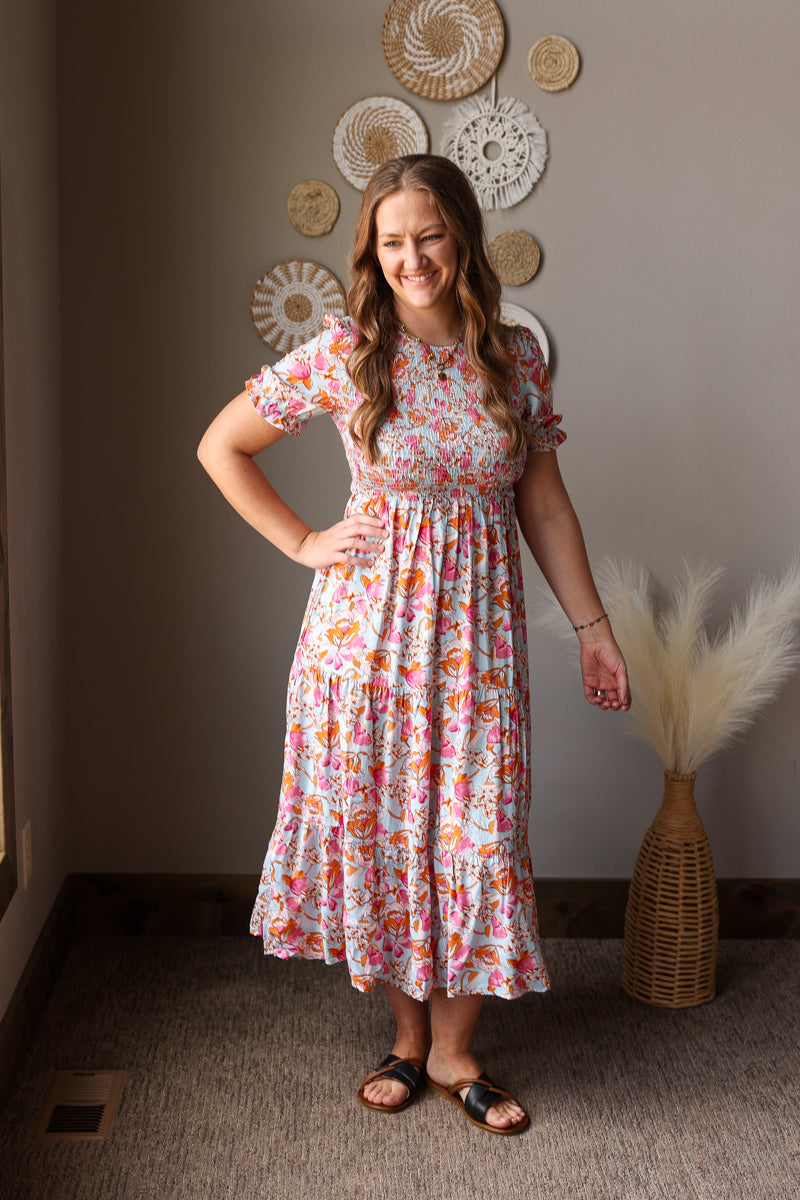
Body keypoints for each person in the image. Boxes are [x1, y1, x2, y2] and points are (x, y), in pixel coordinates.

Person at [197, 153, 630, 1135]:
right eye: (391, 242)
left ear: (460, 236)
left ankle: (454, 1048)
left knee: (478, 835)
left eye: (427, 236)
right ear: (371, 250)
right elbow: (220, 444)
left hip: (478, 649)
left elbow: (545, 503)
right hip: (366, 646)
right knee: (386, 838)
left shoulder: (513, 354)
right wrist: (305, 541)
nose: (411, 259)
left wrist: (592, 630)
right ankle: (405, 1037)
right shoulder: (346, 350)